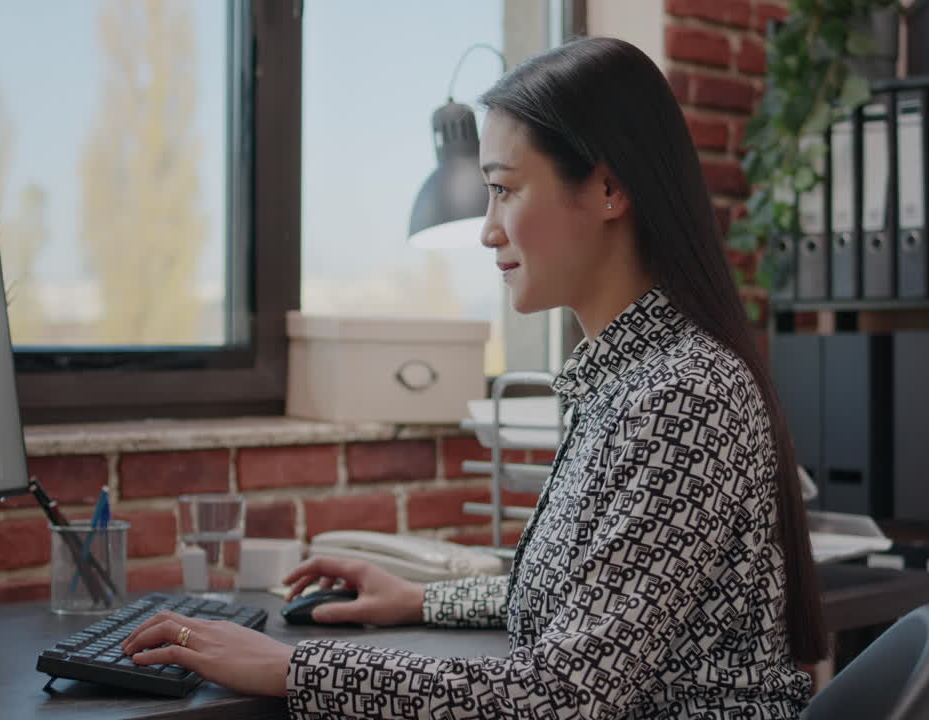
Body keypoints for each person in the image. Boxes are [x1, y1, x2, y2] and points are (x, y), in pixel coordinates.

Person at [121, 35, 828, 719]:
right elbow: (589, 607)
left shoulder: (684, 393)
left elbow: (565, 693)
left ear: (609, 187)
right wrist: (420, 600)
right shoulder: (626, 380)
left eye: (504, 190)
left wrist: (289, 668)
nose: (489, 229)